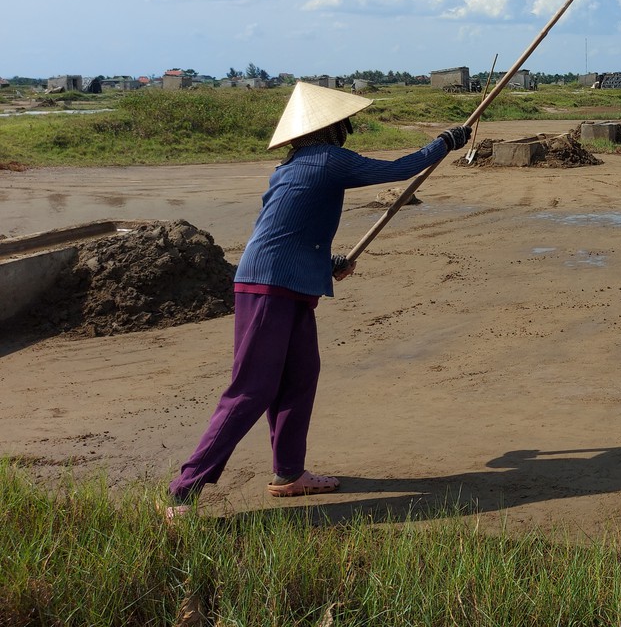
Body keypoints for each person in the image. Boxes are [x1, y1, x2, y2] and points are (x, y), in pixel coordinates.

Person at [163, 82, 470, 517]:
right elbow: (402, 168)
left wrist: (326, 263)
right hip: (268, 286)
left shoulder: (293, 166)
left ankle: (289, 474)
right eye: (345, 124)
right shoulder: (328, 160)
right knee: (251, 390)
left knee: (300, 376)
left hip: (288, 283)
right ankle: (184, 488)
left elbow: (292, 228)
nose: (349, 131)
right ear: (332, 128)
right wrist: (445, 142)